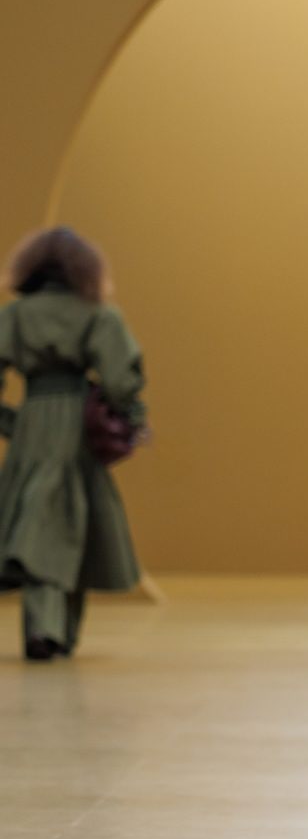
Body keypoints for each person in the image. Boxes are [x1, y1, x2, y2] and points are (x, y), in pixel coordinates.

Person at [0, 226, 148, 660]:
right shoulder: (98, 314)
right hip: (76, 426)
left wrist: (11, 422)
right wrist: (129, 418)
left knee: (36, 519)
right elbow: (121, 379)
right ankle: (57, 631)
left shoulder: (15, 315)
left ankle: (46, 629)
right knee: (73, 521)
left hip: (32, 423)